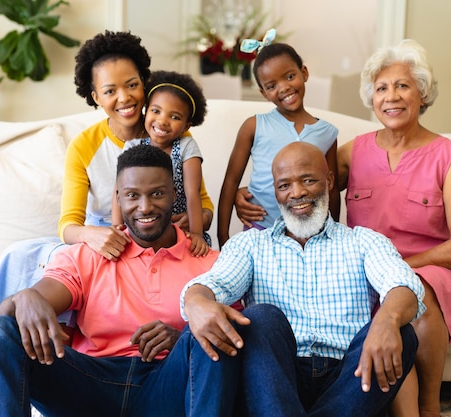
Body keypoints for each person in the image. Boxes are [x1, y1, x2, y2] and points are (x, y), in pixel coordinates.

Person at [0, 30, 214, 321]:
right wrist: (94, 235)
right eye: (110, 91)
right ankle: (20, 318)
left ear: (145, 83)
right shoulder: (84, 146)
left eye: (132, 85)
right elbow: (68, 225)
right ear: (95, 97)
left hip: (160, 233)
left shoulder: (169, 131)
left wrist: (194, 221)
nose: (124, 98)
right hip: (108, 235)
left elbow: (200, 201)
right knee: (26, 255)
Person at [0, 144, 239, 417]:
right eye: (132, 195)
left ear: (173, 193)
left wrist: (181, 339)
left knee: (215, 331)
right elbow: (18, 311)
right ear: (118, 198)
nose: (145, 207)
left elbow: (240, 340)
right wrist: (24, 297)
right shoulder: (88, 255)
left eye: (157, 194)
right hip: (88, 385)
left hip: (166, 388)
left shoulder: (210, 262)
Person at [182, 141, 426, 417]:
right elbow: (216, 283)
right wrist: (196, 300)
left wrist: (388, 320)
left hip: (350, 379)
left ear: (329, 180)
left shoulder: (365, 241)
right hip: (273, 378)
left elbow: (403, 284)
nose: (296, 193)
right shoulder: (249, 245)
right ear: (275, 192)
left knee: (402, 332)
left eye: (308, 180)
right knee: (262, 318)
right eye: (284, 185)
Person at [337, 39, 451, 417]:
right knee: (391, 296)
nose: (391, 97)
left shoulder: (448, 156)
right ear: (372, 99)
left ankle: (430, 403)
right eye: (381, 88)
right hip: (373, 267)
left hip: (436, 267)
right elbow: (303, 189)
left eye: (402, 86)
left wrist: (406, 265)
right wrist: (244, 195)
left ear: (422, 93)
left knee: (414, 290)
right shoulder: (354, 151)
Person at [216, 40, 339, 247]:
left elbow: (331, 190)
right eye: (272, 86)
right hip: (260, 230)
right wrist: (223, 237)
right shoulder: (254, 126)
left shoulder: (327, 133)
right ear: (264, 93)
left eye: (290, 76)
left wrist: (334, 238)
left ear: (304, 73)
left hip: (308, 234)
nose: (284, 88)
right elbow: (230, 182)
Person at [112, 70, 211, 255]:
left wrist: (196, 234)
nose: (162, 121)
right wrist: (117, 227)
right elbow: (118, 191)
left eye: (174, 117)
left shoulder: (186, 147)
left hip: (179, 232)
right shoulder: (133, 146)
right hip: (141, 231)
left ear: (186, 126)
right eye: (156, 111)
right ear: (145, 111)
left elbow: (192, 194)